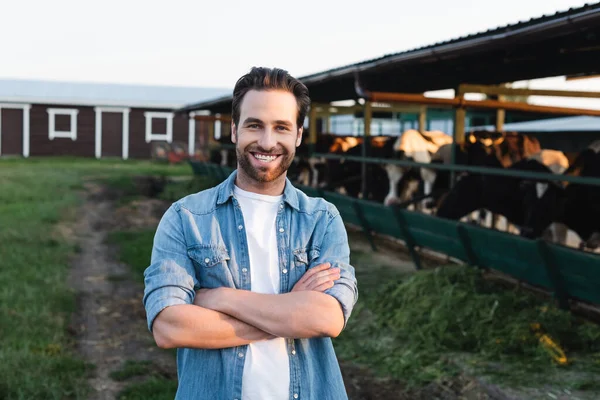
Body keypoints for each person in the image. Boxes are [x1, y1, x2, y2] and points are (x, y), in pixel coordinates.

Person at [143, 66, 358, 400]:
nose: (267, 141)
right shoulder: (186, 218)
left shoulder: (321, 220)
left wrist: (221, 298)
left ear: (298, 135)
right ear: (234, 130)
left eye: (281, 128)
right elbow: (168, 326)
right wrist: (288, 313)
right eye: (254, 125)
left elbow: (327, 318)